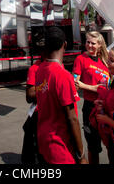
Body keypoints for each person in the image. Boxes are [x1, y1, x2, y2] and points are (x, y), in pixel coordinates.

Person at [35, 26, 87, 164]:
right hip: (60, 147)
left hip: (44, 139)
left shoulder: (40, 69)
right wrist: (81, 155)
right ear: (65, 44)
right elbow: (72, 118)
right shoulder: (63, 76)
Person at [72, 30, 110, 164]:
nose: (89, 45)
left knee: (111, 144)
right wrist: (91, 87)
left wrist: (88, 86)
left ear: (100, 45)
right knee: (93, 146)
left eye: (93, 43)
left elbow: (108, 85)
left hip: (106, 107)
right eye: (87, 42)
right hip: (90, 107)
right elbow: (75, 83)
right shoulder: (80, 59)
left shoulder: (105, 61)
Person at [21, 35, 45, 164]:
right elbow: (29, 96)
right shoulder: (34, 68)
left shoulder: (58, 66)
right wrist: (48, 89)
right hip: (38, 115)